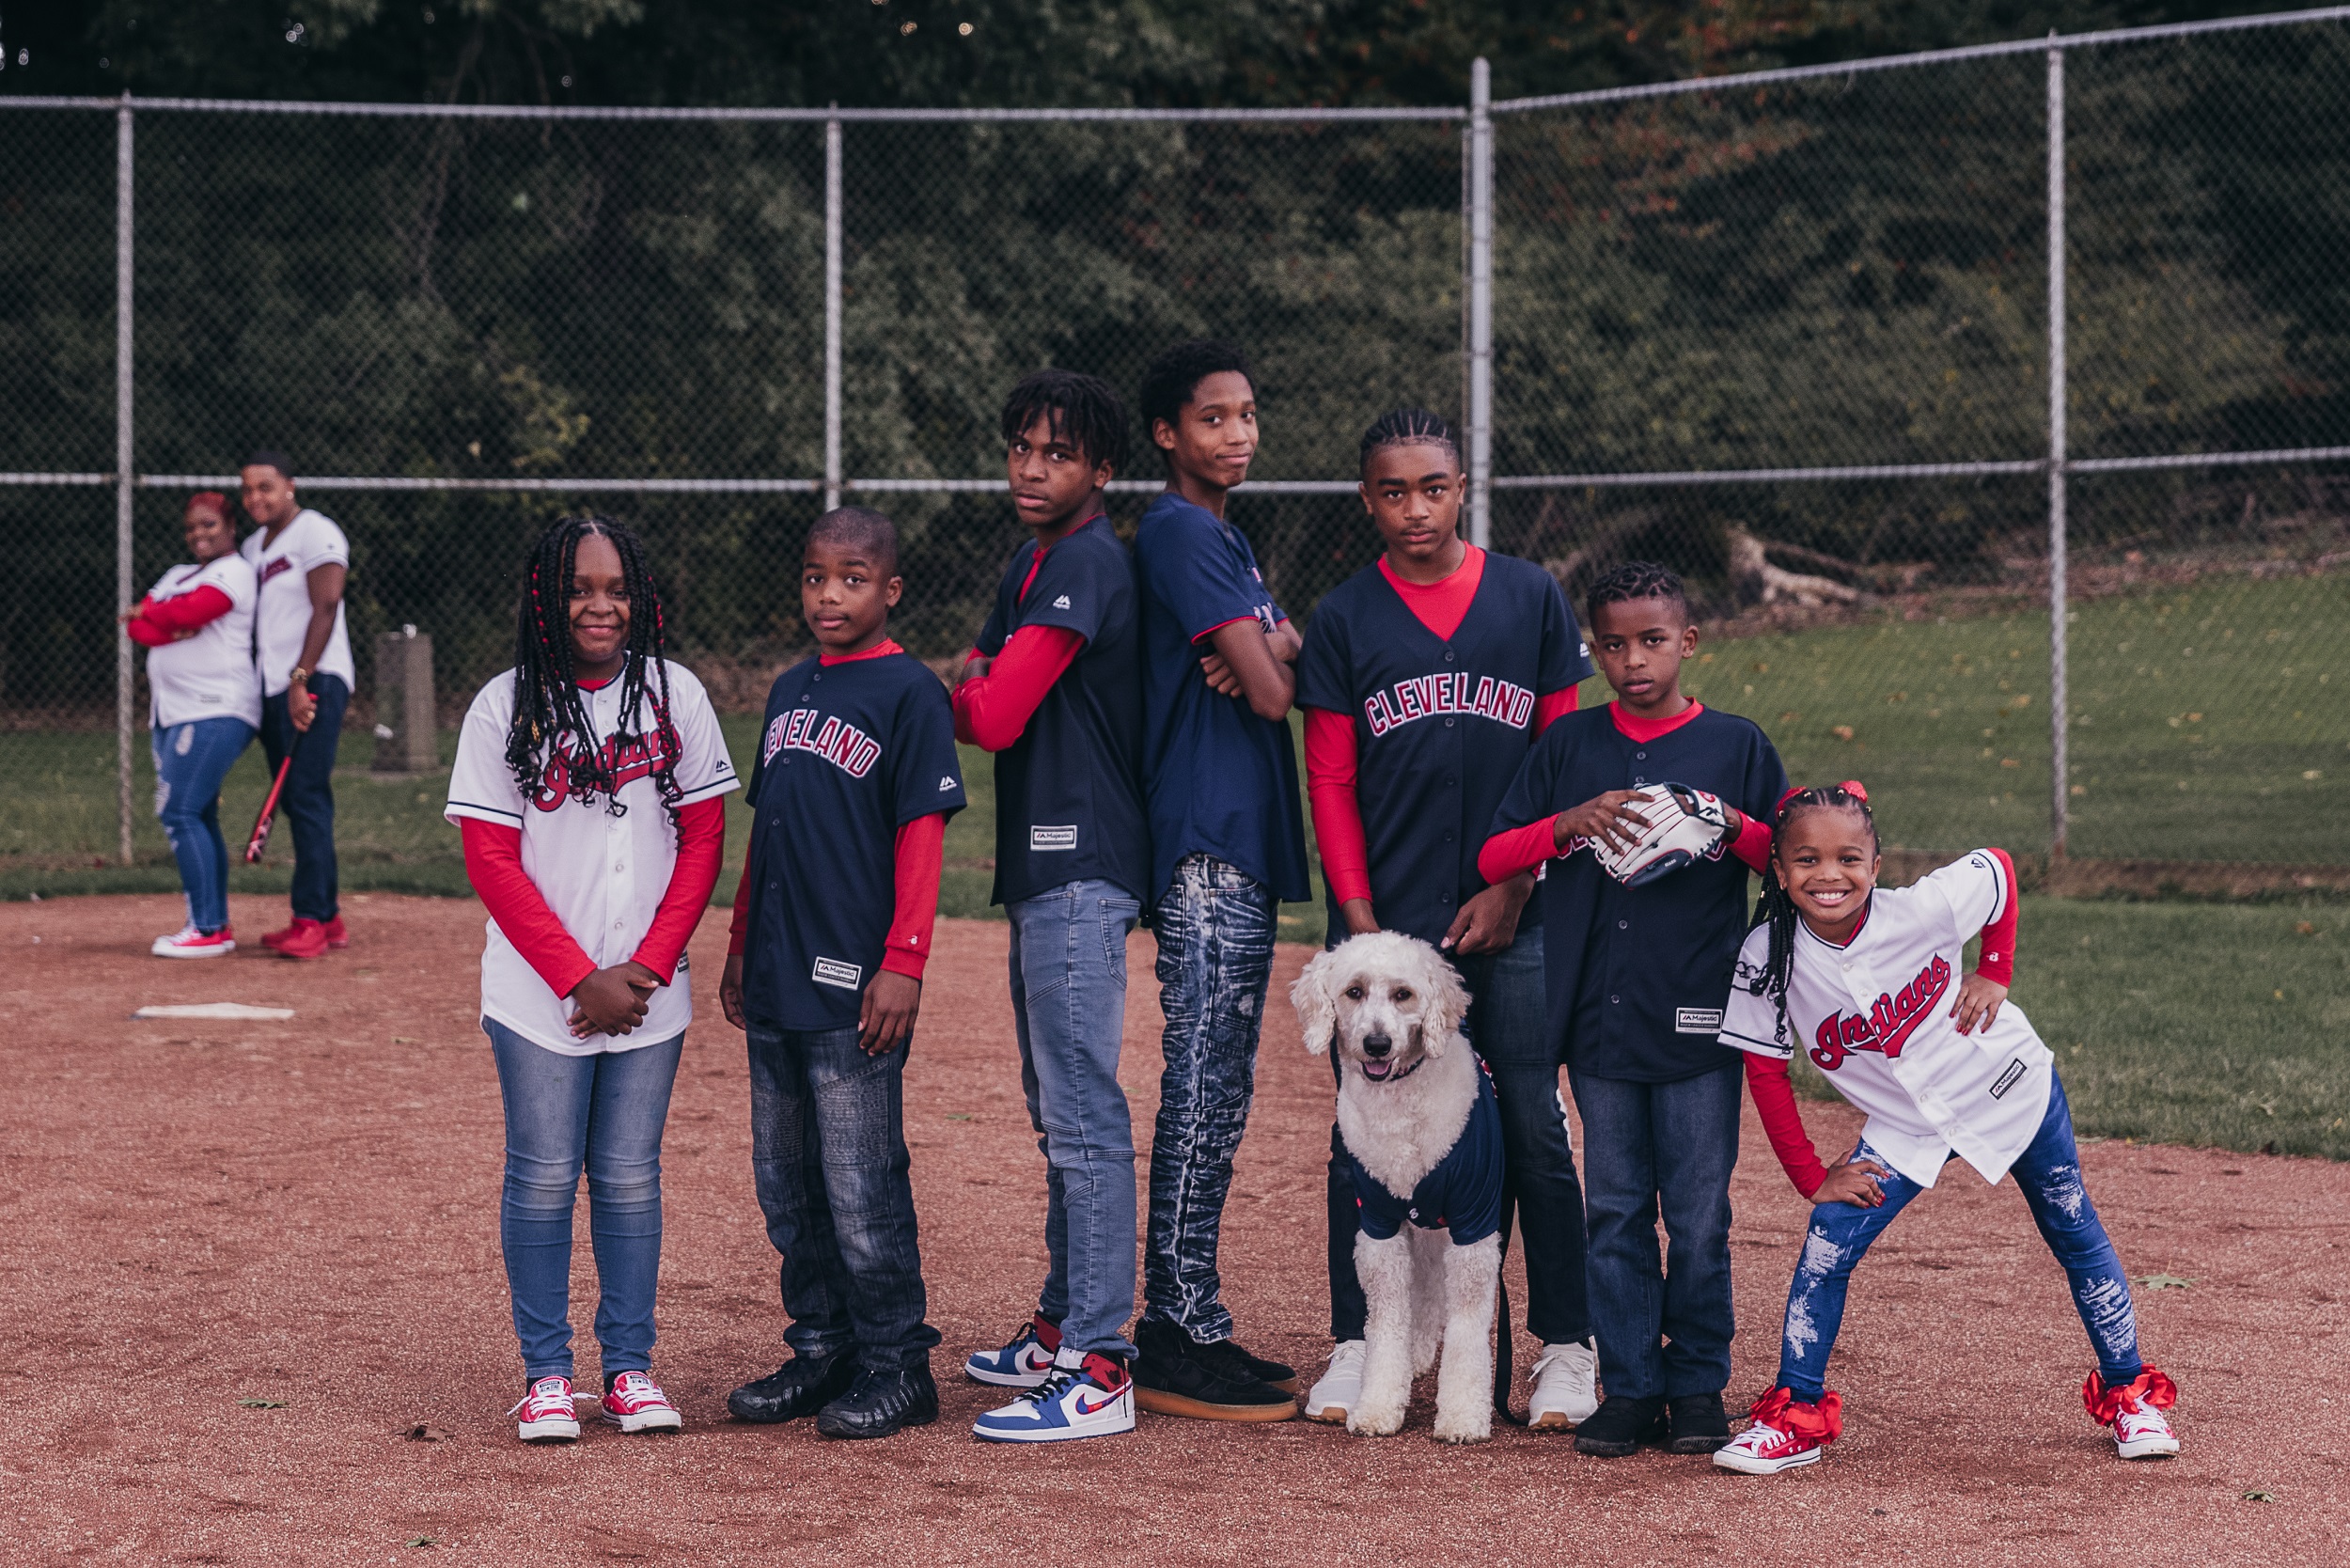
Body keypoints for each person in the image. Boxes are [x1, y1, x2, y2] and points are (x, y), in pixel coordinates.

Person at [1713, 784, 2182, 1473]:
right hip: (1905, 1125)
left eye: (1849, 859)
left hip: (2007, 1088)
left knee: (2073, 1230)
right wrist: (1813, 1176)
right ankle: (1797, 1418)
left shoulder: (1921, 908)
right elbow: (1765, 1072)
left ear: (1876, 865)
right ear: (1779, 873)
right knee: (1826, 1248)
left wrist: (1996, 969)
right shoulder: (1768, 953)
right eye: (1806, 860)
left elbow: (1997, 868)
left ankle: (2132, 1395)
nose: (1829, 875)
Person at [1295, 410, 1599, 1429]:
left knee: (1532, 1130)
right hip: (1393, 922)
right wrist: (1359, 927)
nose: (1413, 509)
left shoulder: (1527, 598)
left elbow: (1563, 760)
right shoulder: (1343, 619)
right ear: (1365, 499)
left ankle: (1565, 1345)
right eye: (1391, 490)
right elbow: (1331, 777)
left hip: (1518, 912)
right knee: (1364, 1133)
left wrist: (1518, 882)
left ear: (1462, 486)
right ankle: (1360, 1340)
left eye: (1432, 486)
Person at [1480, 561, 1785, 1458]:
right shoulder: (1570, 746)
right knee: (1612, 1209)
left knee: (1697, 1216)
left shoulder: (1735, 744)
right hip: (1599, 1020)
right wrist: (1572, 822)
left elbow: (1792, 862)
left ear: (1688, 642)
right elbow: (1499, 850)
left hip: (1698, 1017)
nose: (1633, 659)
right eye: (1612, 644)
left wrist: (1727, 824)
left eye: (1652, 640)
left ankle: (1695, 1385)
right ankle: (1629, 1387)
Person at [445, 515, 737, 1444]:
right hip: (539, 995)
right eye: (579, 588)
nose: (600, 605)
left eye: (616, 588)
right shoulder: (504, 705)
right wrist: (578, 976)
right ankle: (546, 1378)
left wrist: (643, 968)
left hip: (651, 987)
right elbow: (491, 858)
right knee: (539, 1179)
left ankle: (630, 1370)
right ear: (545, 599)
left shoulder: (675, 694)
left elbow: (704, 840)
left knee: (627, 1178)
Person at [718, 508, 965, 1442]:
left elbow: (921, 836)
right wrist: (739, 943)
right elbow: (765, 831)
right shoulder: (786, 692)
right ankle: (821, 1347)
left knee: (862, 1186)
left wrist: (903, 964)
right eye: (817, 577)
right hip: (777, 973)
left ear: (889, 590)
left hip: (854, 983)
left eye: (853, 577)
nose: (831, 594)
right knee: (787, 1183)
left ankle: (897, 1363)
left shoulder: (908, 693)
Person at [952, 372, 1151, 1443]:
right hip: (1043, 860)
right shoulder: (1032, 556)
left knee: (1080, 1110)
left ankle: (1100, 1361)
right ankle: (1060, 1322)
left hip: (1084, 858)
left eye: (1056, 453)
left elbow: (990, 707)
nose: (1031, 468)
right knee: (1054, 1105)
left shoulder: (1082, 557)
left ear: (1100, 472)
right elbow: (987, 672)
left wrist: (926, 690)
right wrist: (970, 679)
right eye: (1020, 447)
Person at [1128, 339, 1308, 1421]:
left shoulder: (1222, 533)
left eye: (1247, 415)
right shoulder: (1183, 530)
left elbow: (1274, 657)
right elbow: (1276, 692)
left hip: (1232, 837)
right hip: (1204, 842)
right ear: (1167, 434)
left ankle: (1196, 1315)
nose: (1236, 435)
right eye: (1212, 418)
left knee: (1220, 1083)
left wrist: (1270, 641)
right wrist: (1268, 653)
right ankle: (1171, 1328)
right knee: (1202, 1083)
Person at [123, 492, 260, 958]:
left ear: (229, 527)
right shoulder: (177, 575)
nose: (199, 534)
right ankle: (212, 923)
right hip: (171, 711)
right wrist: (165, 620)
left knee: (179, 811)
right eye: (192, 528)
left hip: (217, 707)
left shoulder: (236, 571)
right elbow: (136, 627)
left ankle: (206, 928)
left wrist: (166, 616)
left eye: (209, 525)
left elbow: (194, 611)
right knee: (197, 812)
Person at [239, 451, 355, 961]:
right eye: (248, 491)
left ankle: (308, 919)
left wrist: (300, 679)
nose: (256, 498)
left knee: (305, 796)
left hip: (314, 679)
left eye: (266, 487)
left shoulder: (315, 531)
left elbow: (325, 605)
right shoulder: (252, 547)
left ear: (290, 486)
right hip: (273, 685)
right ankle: (327, 917)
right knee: (296, 799)